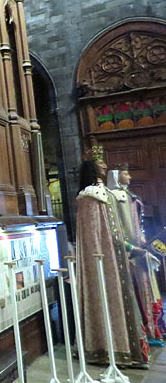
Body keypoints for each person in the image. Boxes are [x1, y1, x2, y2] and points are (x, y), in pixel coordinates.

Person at [75, 149, 149, 368]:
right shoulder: (90, 196)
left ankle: (126, 349)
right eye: (100, 163)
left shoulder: (106, 193)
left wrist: (128, 247)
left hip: (115, 256)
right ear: (91, 167)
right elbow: (93, 235)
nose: (105, 166)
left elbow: (115, 230)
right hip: (103, 259)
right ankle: (108, 349)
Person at [107, 167, 164, 346]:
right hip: (129, 251)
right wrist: (130, 246)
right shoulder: (114, 197)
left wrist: (144, 241)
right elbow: (116, 228)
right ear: (115, 176)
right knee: (136, 289)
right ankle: (143, 329)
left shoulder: (130, 196)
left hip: (141, 248)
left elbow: (137, 223)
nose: (129, 176)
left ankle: (153, 327)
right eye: (125, 173)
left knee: (148, 287)